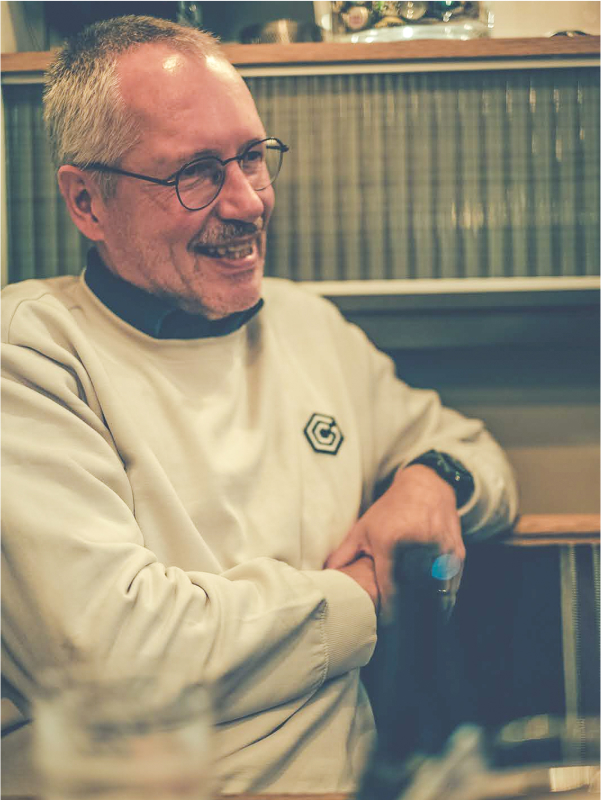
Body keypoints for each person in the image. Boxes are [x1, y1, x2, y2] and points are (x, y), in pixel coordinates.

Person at [1, 15, 518, 795]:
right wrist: (367, 598)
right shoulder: (31, 353)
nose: (246, 203)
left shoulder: (307, 327)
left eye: (251, 158)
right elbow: (114, 660)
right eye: (196, 173)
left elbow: (475, 457)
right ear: (87, 203)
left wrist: (429, 480)